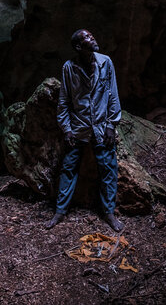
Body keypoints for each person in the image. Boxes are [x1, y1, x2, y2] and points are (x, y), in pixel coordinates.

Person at [44, 29, 125, 232]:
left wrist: (110, 125)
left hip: (100, 127)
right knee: (68, 168)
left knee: (108, 169)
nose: (93, 38)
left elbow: (112, 94)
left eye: (91, 35)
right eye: (87, 38)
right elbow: (64, 101)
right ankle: (60, 211)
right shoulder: (69, 68)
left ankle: (108, 213)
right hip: (78, 128)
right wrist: (67, 130)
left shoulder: (105, 62)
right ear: (79, 46)